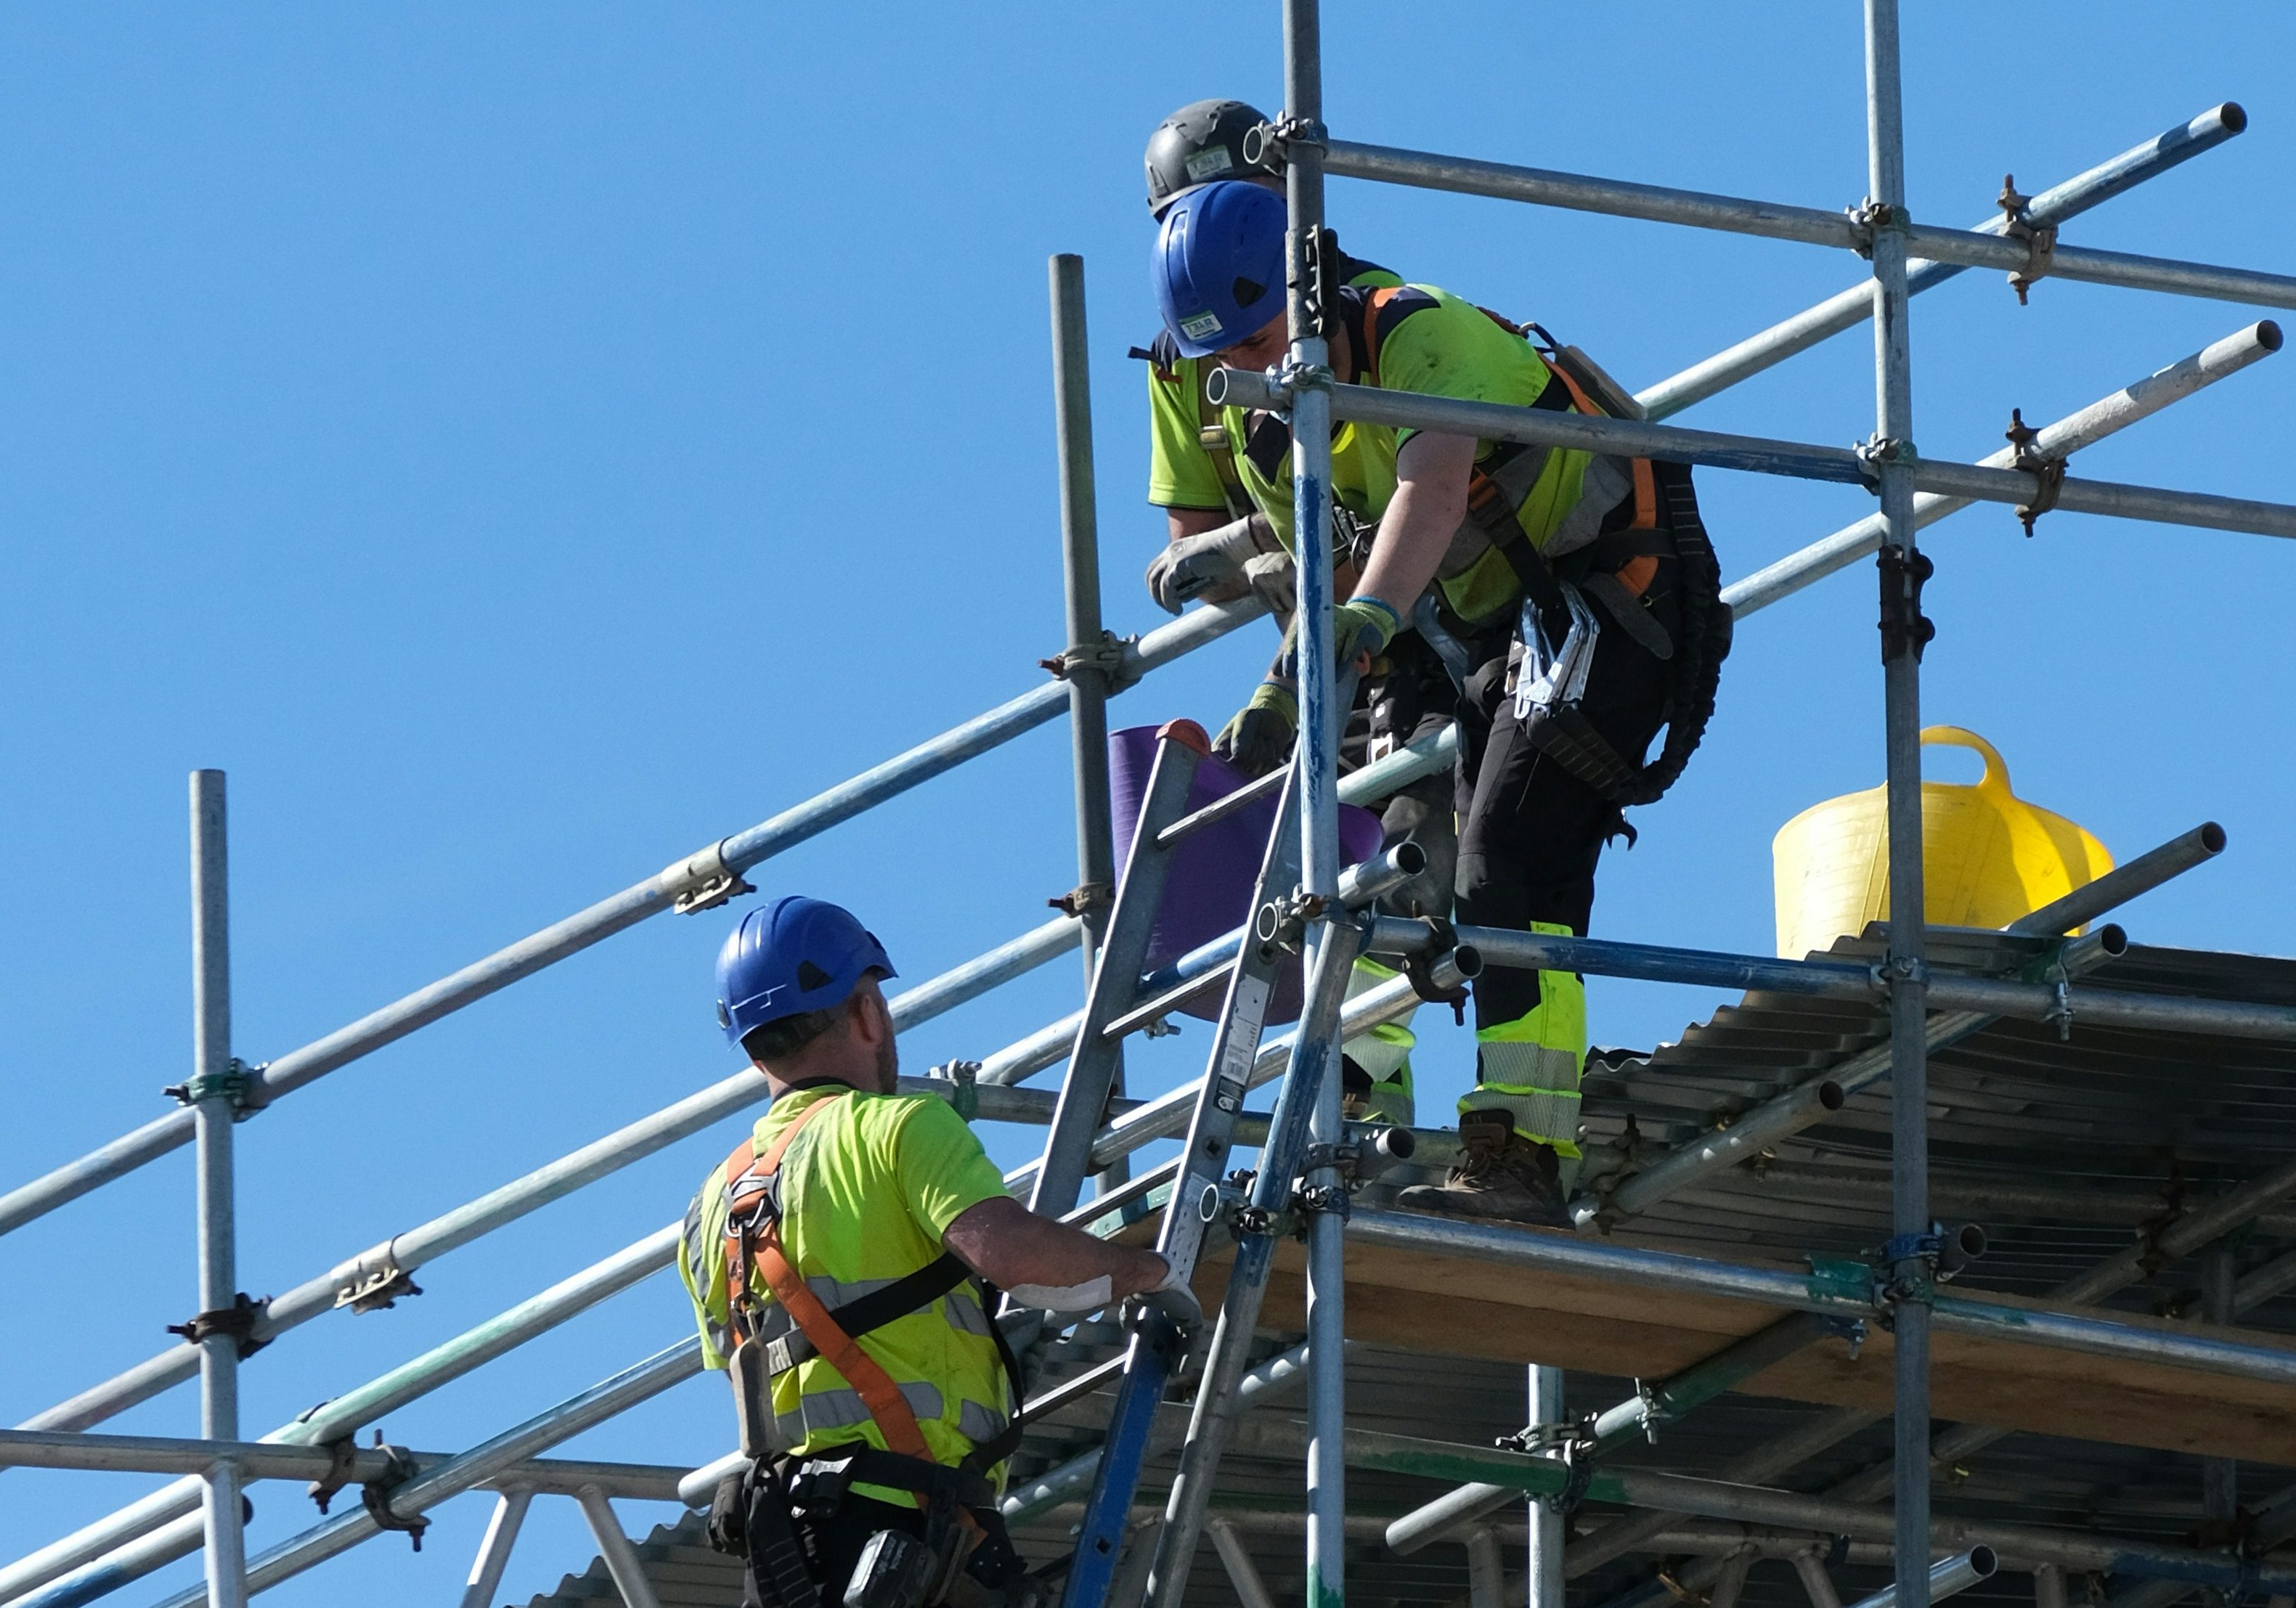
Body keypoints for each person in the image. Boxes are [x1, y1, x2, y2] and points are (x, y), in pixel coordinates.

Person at [1151, 179, 1732, 1228]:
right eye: (1219, 353)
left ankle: (1517, 1150)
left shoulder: (1414, 335)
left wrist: (1369, 618)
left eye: (1251, 337)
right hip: (1514, 628)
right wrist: (1282, 686)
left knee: (1504, 850)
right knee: (1464, 863)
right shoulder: (1295, 411)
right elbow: (1332, 558)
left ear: (1305, 285)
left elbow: (1429, 490)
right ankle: (1497, 1134)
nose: (1238, 366)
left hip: (1616, 592)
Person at [683, 897, 1189, 1608]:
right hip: (905, 1528)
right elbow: (1011, 1255)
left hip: (784, 1555)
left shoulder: (711, 1205)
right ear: (864, 1012)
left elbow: (746, 1371)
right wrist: (1151, 1270)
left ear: (750, 1043)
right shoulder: (902, 1126)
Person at [1134, 99, 1431, 1131]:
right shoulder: (1184, 358)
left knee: (1430, 857)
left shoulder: (1369, 316)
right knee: (1328, 872)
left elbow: (1388, 514)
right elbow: (1198, 536)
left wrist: (1263, 586)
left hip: (1427, 618)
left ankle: (1501, 1114)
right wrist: (1216, 560)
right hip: (1325, 649)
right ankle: (1363, 1104)